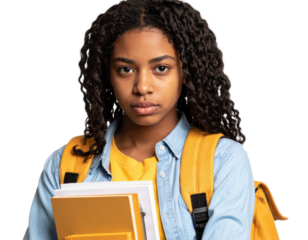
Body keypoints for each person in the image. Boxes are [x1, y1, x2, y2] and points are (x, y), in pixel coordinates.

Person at [21, 0, 255, 239]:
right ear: (107, 75)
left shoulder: (223, 161)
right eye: (126, 69)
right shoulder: (64, 165)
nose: (142, 87)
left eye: (161, 68)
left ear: (185, 72)